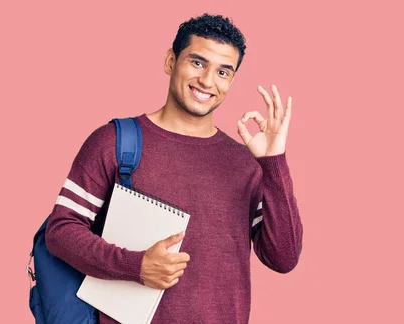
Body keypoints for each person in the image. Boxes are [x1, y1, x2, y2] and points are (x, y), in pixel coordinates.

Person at [45, 13, 303, 324]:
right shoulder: (115, 141)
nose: (207, 81)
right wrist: (135, 265)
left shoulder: (246, 163)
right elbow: (60, 232)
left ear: (231, 80)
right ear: (171, 61)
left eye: (223, 71)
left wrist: (273, 161)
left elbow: (283, 258)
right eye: (197, 63)